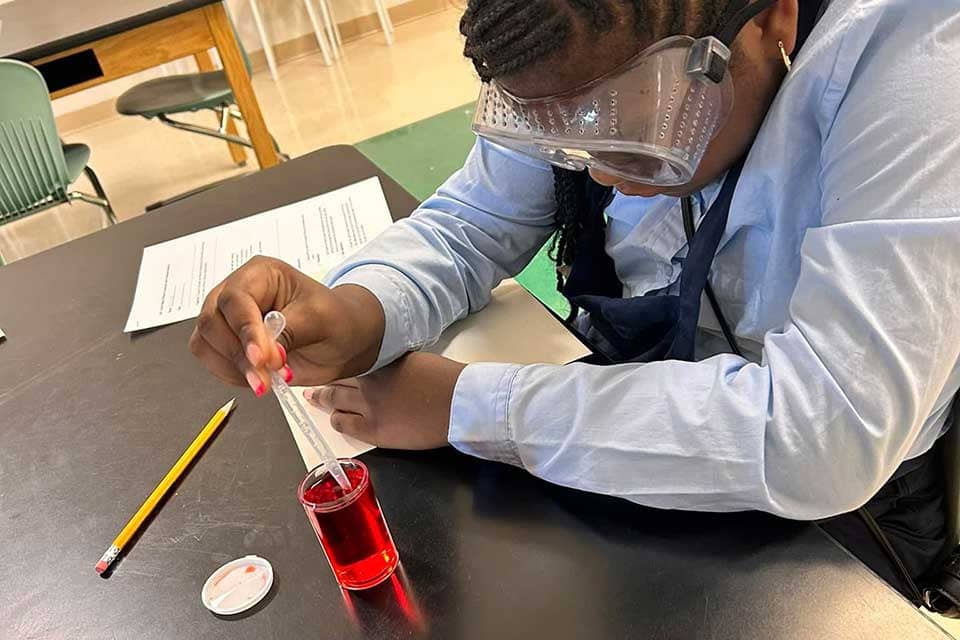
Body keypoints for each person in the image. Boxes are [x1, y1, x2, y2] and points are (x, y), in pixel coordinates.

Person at [189, 0, 960, 600]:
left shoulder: (915, 62)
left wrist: (471, 405)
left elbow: (822, 432)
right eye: (561, 136)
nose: (595, 173)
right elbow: (476, 219)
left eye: (632, 132)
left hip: (835, 524)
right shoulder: (570, 38)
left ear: (770, 18)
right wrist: (362, 310)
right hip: (617, 430)